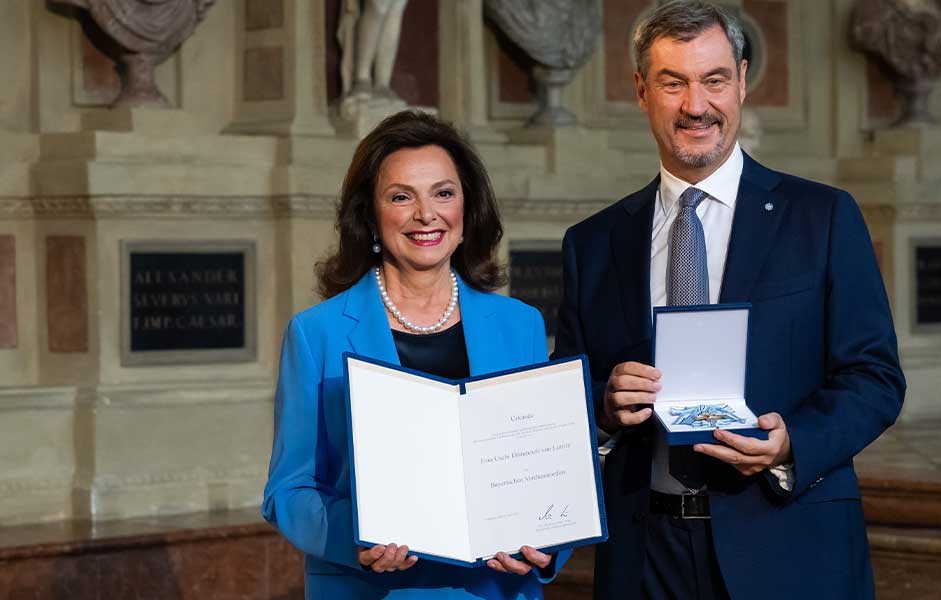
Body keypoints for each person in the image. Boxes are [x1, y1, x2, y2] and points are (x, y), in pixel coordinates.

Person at [552, 2, 906, 599]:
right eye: (674, 83)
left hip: (786, 543)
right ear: (642, 91)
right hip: (644, 557)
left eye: (714, 79)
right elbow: (569, 397)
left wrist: (791, 441)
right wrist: (605, 408)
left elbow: (875, 377)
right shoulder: (592, 243)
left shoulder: (821, 218)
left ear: (742, 81)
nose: (697, 105)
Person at [263, 110, 569, 599]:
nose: (426, 214)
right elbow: (288, 491)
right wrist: (356, 538)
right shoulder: (315, 333)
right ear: (370, 216)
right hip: (373, 589)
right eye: (401, 197)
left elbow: (549, 470)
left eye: (443, 193)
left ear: (467, 211)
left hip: (492, 589)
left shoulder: (520, 325)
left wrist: (551, 543)